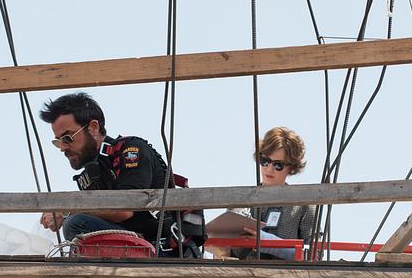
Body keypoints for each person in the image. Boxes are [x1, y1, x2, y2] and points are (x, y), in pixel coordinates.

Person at [37, 92, 194, 255]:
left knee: (76, 224)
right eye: (58, 141)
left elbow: (124, 210)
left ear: (93, 127)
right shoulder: (93, 171)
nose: (63, 147)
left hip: (165, 249)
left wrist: (66, 210)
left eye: (67, 138)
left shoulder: (130, 150)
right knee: (73, 235)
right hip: (136, 245)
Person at [231, 127, 317, 260]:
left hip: (285, 273)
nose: (269, 169)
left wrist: (268, 242)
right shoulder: (240, 202)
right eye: (264, 161)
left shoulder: (303, 206)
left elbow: (315, 255)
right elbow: (224, 251)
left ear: (291, 167)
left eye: (278, 165)